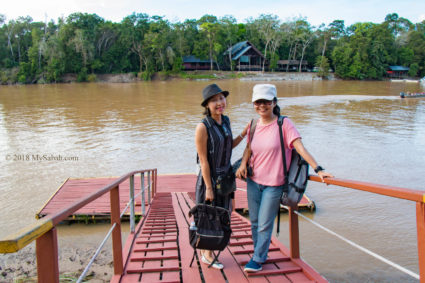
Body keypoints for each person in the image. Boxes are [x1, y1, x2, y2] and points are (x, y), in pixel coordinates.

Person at [236, 84, 333, 272]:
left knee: (264, 223)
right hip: (253, 182)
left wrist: (319, 169)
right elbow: (248, 148)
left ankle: (257, 259)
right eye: (258, 102)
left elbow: (300, 148)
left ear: (274, 102)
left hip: (275, 184)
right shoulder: (253, 124)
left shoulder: (284, 124)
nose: (261, 106)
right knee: (255, 221)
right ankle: (259, 253)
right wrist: (242, 165)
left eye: (266, 101)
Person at [195, 83, 248, 269]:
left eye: (222, 98)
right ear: (207, 105)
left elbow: (227, 146)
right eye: (215, 100)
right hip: (210, 179)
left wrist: (244, 133)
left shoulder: (225, 121)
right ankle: (206, 254)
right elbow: (203, 161)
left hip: (226, 178)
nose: (220, 103)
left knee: (225, 214)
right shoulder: (203, 127)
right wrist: (208, 187)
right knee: (210, 216)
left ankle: (209, 248)